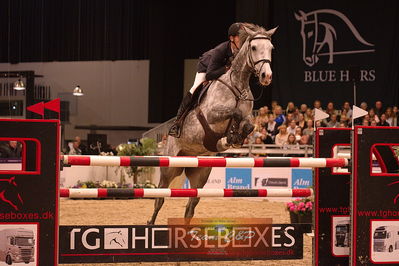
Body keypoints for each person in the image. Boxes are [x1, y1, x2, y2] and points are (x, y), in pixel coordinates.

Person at [169, 23, 242, 137]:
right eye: (239, 36)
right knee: (195, 88)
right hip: (206, 67)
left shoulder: (239, 50)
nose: (242, 39)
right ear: (232, 38)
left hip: (221, 69)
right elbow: (209, 75)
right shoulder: (220, 50)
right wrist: (226, 69)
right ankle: (177, 122)